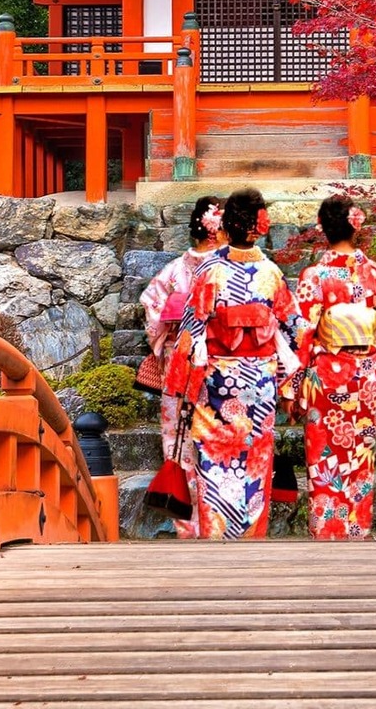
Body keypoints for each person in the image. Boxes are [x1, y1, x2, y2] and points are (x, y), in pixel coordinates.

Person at [281, 195, 376, 540]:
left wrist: (290, 386)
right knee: (360, 452)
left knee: (324, 454)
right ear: (356, 227)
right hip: (366, 375)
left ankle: (327, 530)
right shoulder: (375, 273)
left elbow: (301, 335)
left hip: (326, 376)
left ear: (323, 230)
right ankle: (357, 528)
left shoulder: (314, 276)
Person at [168, 187, 309, 540]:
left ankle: (216, 538)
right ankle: (251, 539)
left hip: (217, 383)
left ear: (227, 227)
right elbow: (296, 330)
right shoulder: (272, 273)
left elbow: (190, 331)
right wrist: (290, 386)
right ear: (259, 228)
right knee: (255, 464)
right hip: (260, 383)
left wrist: (182, 388)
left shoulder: (210, 272)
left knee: (215, 462)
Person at [140, 195, 223, 538]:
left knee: (180, 440)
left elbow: (152, 311)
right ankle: (220, 524)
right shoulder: (234, 270)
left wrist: (165, 343)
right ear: (218, 230)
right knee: (220, 439)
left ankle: (187, 525)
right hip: (222, 360)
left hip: (179, 359)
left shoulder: (174, 270)